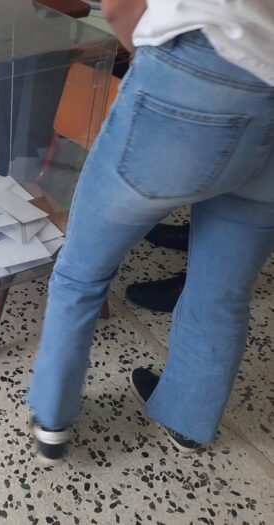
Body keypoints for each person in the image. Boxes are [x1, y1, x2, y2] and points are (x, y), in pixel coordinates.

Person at [27, 0, 274, 465]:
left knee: (82, 272)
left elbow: (120, 6)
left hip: (194, 73)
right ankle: (187, 421)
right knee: (222, 290)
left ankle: (53, 421)